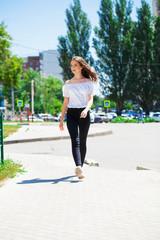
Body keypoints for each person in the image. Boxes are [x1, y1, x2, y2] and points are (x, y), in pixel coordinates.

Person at [59, 56, 97, 179]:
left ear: (81, 66)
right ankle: (79, 166)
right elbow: (65, 102)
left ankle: (81, 167)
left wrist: (86, 110)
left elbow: (90, 100)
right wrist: (61, 119)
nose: (73, 68)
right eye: (71, 65)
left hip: (84, 114)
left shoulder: (88, 82)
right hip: (71, 114)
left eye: (75, 65)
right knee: (75, 141)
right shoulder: (68, 84)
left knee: (82, 141)